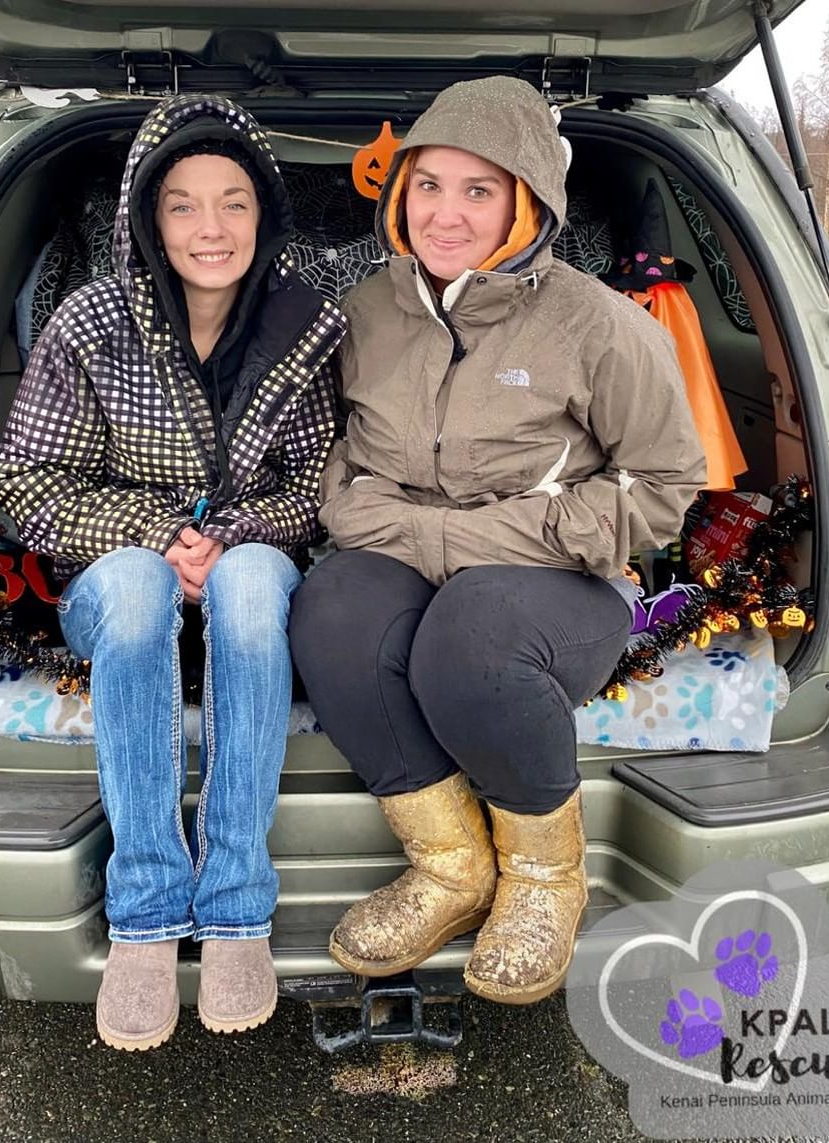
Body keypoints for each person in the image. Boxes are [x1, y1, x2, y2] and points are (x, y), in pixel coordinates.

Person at [290, 76, 706, 1005]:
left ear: (529, 203)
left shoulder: (601, 325)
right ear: (399, 195)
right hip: (400, 548)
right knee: (330, 613)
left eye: (480, 190)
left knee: (471, 637)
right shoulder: (368, 312)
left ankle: (545, 879)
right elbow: (337, 470)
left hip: (562, 578)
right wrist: (410, 533)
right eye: (429, 185)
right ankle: (451, 867)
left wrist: (480, 537)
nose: (447, 213)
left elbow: (661, 490)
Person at [0, 94, 345, 1048]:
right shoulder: (90, 324)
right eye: (183, 203)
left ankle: (236, 906)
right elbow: (25, 481)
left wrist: (228, 537)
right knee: (144, 591)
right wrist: (155, 531)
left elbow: (319, 480)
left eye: (233, 200)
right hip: (122, 581)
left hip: (245, 568)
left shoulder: (301, 324)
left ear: (264, 212)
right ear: (146, 216)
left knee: (252, 584)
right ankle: (145, 914)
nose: (210, 227)